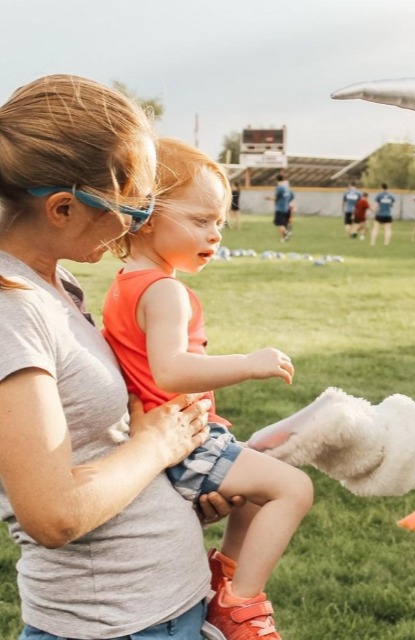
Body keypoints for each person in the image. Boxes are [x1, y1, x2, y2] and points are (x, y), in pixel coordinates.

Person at [0, 75, 240, 640]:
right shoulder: (10, 311)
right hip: (112, 625)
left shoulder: (54, 286)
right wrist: (158, 446)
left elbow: (96, 444)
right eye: (129, 210)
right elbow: (54, 513)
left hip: (161, 609)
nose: (136, 226)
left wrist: (176, 485)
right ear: (62, 208)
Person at [104, 137, 314, 640]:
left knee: (266, 479)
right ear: (148, 216)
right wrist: (249, 363)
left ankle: (225, 576)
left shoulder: (124, 283)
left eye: (219, 221)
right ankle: (241, 606)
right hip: (182, 443)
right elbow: (171, 372)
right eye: (201, 221)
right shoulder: (165, 291)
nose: (215, 234)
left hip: (175, 438)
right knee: (293, 489)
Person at [265, 174, 294, 242]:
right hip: (286, 208)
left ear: (276, 180)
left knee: (280, 224)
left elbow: (276, 198)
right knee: (283, 224)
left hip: (280, 208)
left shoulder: (279, 188)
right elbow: (292, 196)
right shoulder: (287, 188)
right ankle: (282, 239)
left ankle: (286, 233)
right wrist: (287, 201)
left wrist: (268, 198)